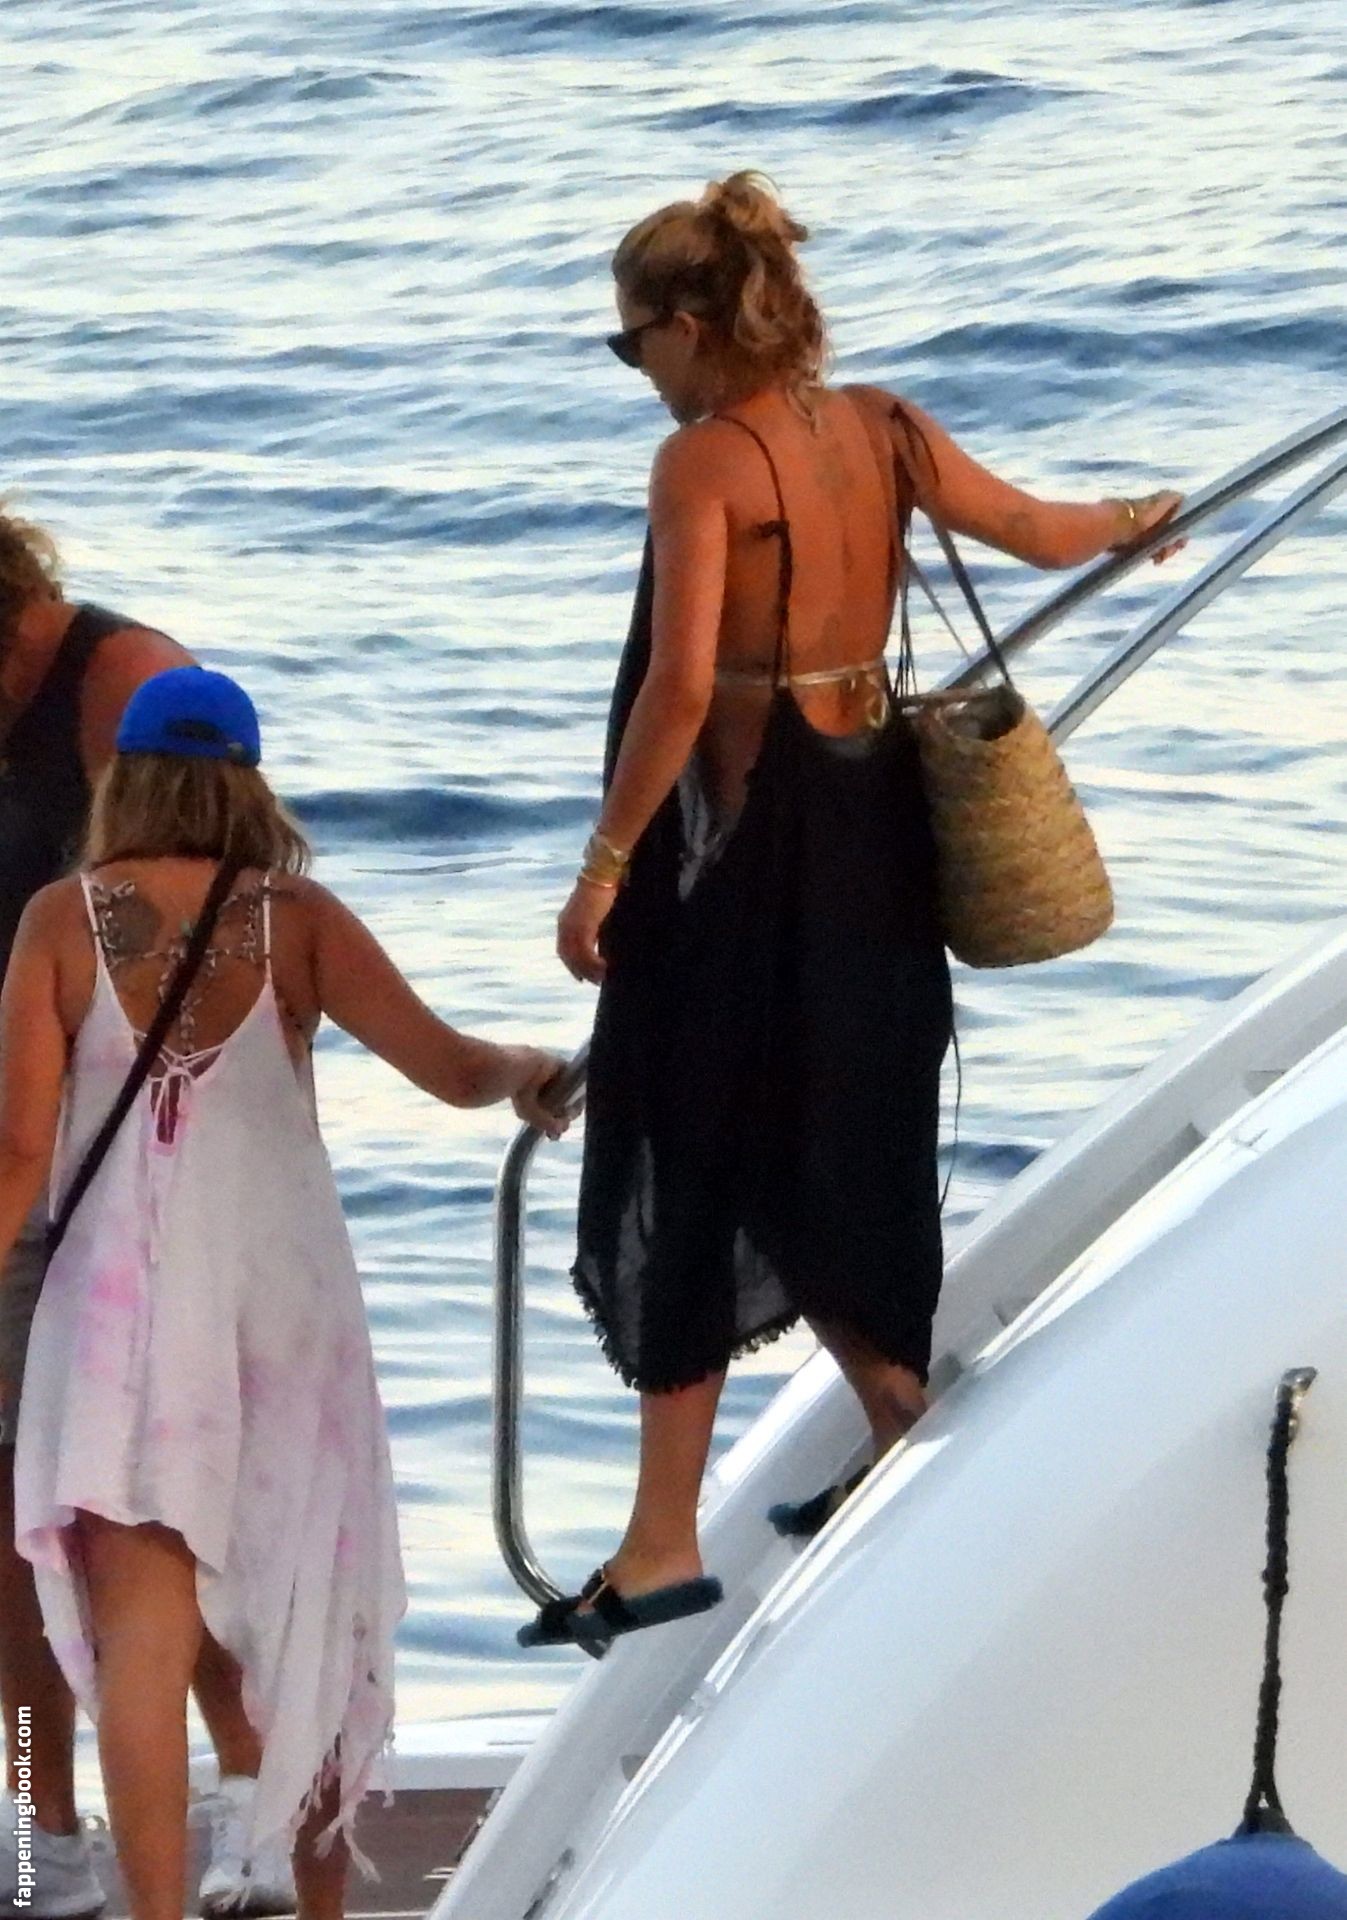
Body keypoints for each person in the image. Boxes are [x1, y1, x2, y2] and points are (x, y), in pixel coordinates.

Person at [521, 170, 1185, 1652]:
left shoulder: (705, 464)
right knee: (836, 1119)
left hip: (742, 850)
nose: (639, 373)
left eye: (633, 345)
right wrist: (1136, 517)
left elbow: (679, 689)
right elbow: (1033, 528)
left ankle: (661, 1539)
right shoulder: (880, 427)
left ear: (692, 327)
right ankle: (890, 1410)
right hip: (870, 824)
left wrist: (603, 867)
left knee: (691, 1134)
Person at [0, 666, 566, 1920]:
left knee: (141, 1649)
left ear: (124, 779)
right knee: (306, 1606)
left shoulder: (58, 923)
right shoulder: (299, 921)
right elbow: (449, 1069)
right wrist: (529, 1065)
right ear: (249, 784)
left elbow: (20, 1152)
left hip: (117, 1324)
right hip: (281, 1312)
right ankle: (312, 1906)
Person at [0, 509, 296, 1918]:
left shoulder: (117, 682)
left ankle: (247, 1798)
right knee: (21, 1533)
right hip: (32, 1166)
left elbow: (229, 932)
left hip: (109, 1189)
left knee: (166, 1525)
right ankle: (43, 1836)